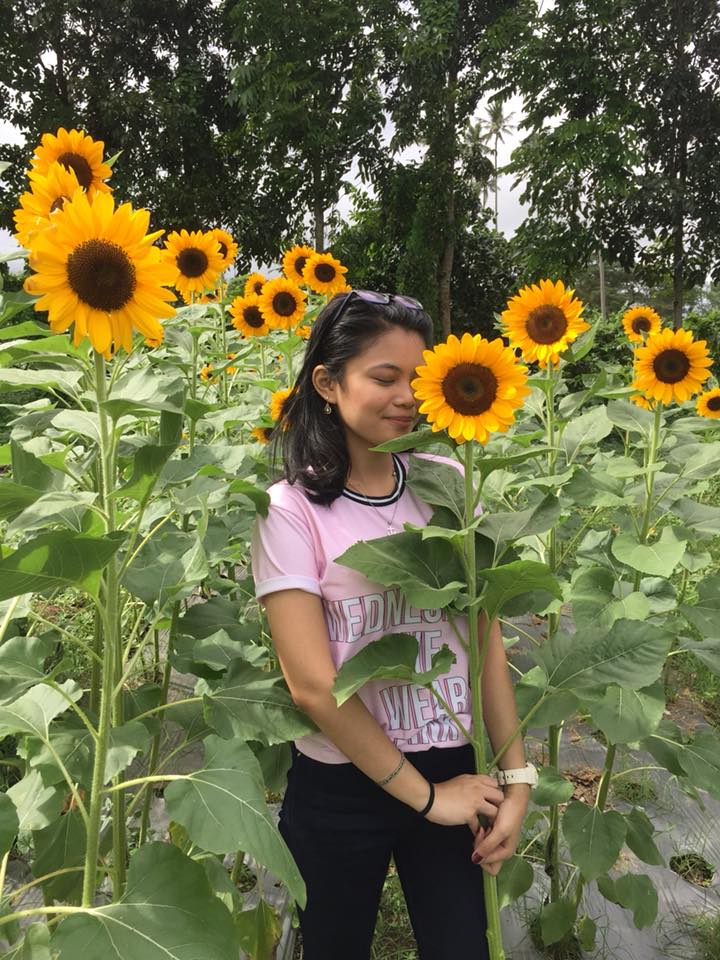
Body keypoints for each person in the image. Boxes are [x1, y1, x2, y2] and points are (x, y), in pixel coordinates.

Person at [250, 290, 531, 960]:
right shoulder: (289, 511)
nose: (408, 395)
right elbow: (315, 687)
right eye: (384, 377)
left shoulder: (447, 483)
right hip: (344, 781)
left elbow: (483, 632)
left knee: (464, 945)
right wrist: (427, 799)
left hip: (455, 763)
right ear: (327, 382)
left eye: (417, 376)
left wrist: (517, 778)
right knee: (332, 947)